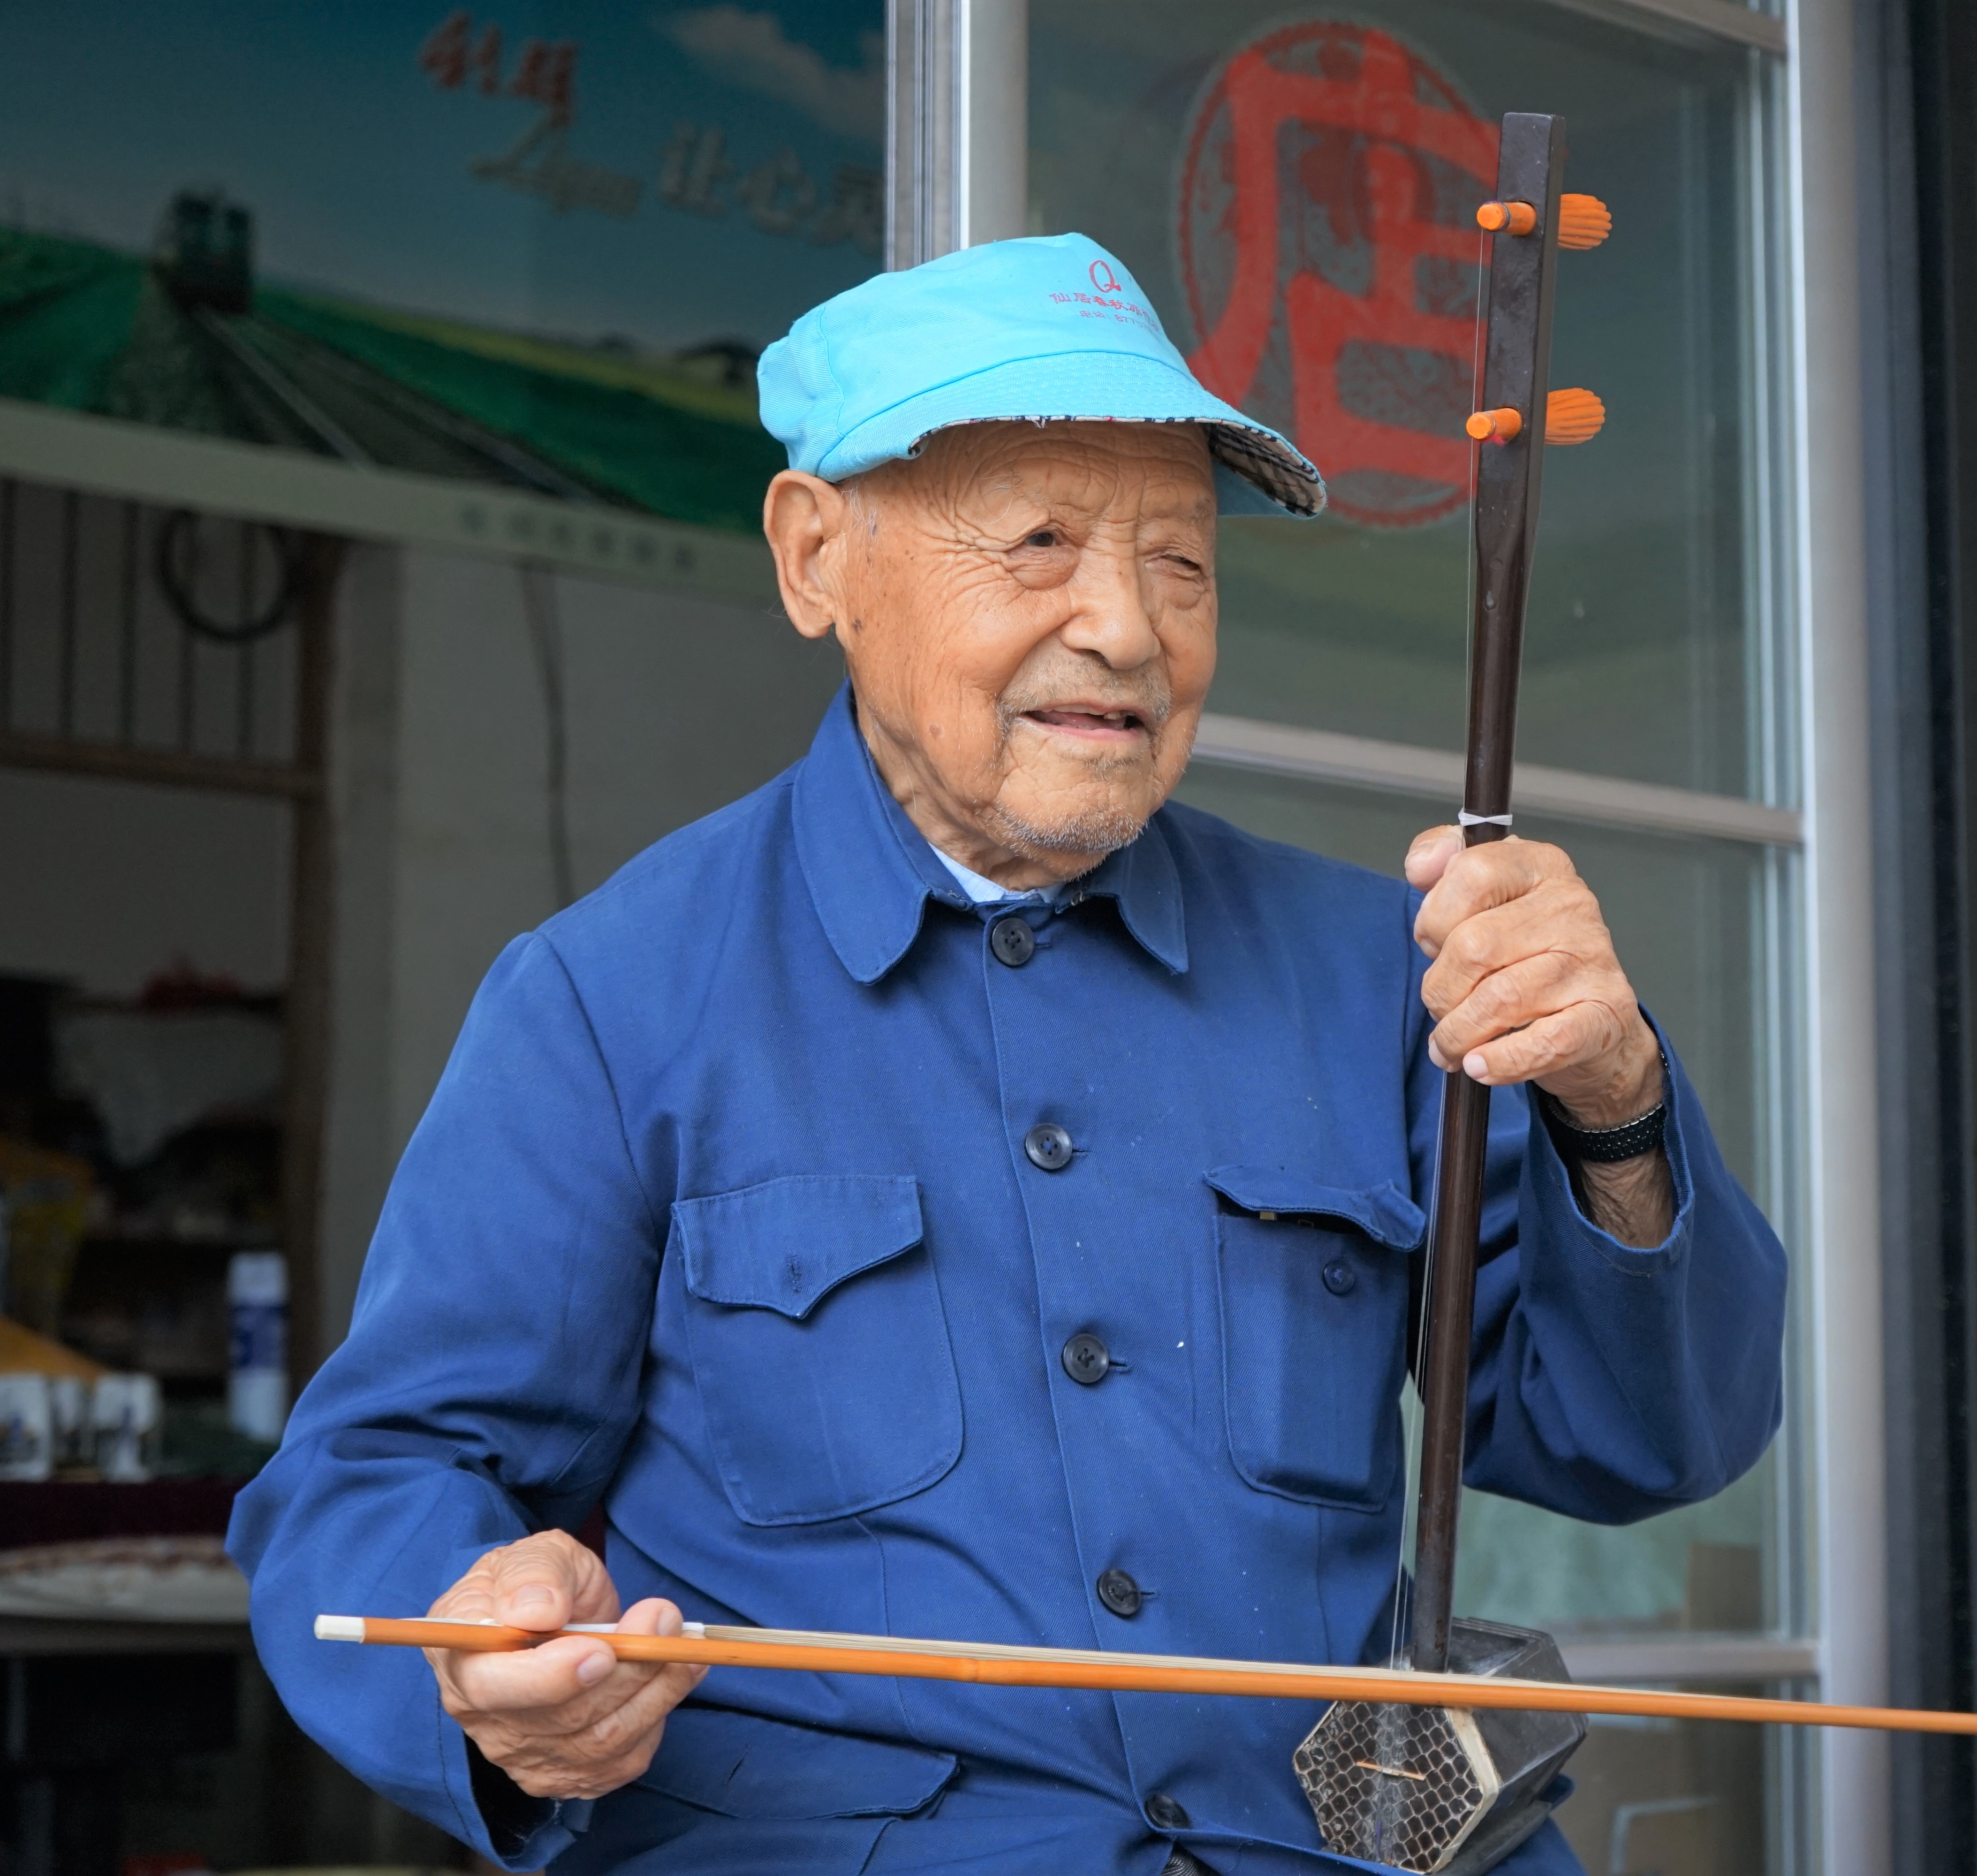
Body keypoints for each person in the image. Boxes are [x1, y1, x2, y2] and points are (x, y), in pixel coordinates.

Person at [227, 232, 1787, 1876]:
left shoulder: (1377, 971)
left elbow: (1643, 1443)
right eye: (1040, 543)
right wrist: (480, 1647)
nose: (1125, 627)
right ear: (816, 558)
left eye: (1181, 562)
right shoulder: (611, 1000)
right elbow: (375, 1475)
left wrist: (1614, 1101)